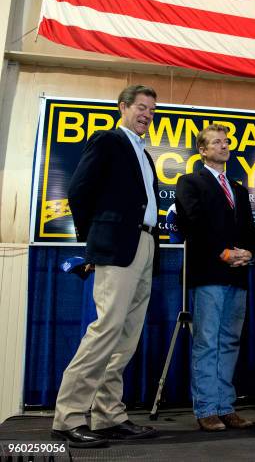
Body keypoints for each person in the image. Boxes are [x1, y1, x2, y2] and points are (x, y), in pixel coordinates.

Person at [52, 85, 159, 448]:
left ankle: (108, 415)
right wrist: (95, 239)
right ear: (123, 107)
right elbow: (80, 190)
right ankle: (67, 418)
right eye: (141, 107)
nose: (147, 114)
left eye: (151, 109)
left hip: (145, 245)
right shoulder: (108, 140)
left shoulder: (145, 154)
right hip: (115, 246)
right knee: (105, 330)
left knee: (125, 337)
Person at [175, 124, 255, 431]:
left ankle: (226, 406)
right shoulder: (189, 182)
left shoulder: (237, 187)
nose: (224, 146)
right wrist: (222, 252)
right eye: (217, 142)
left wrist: (249, 253)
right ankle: (206, 409)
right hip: (209, 272)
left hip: (238, 275)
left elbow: (250, 228)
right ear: (203, 150)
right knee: (207, 342)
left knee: (230, 341)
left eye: (226, 142)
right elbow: (193, 225)